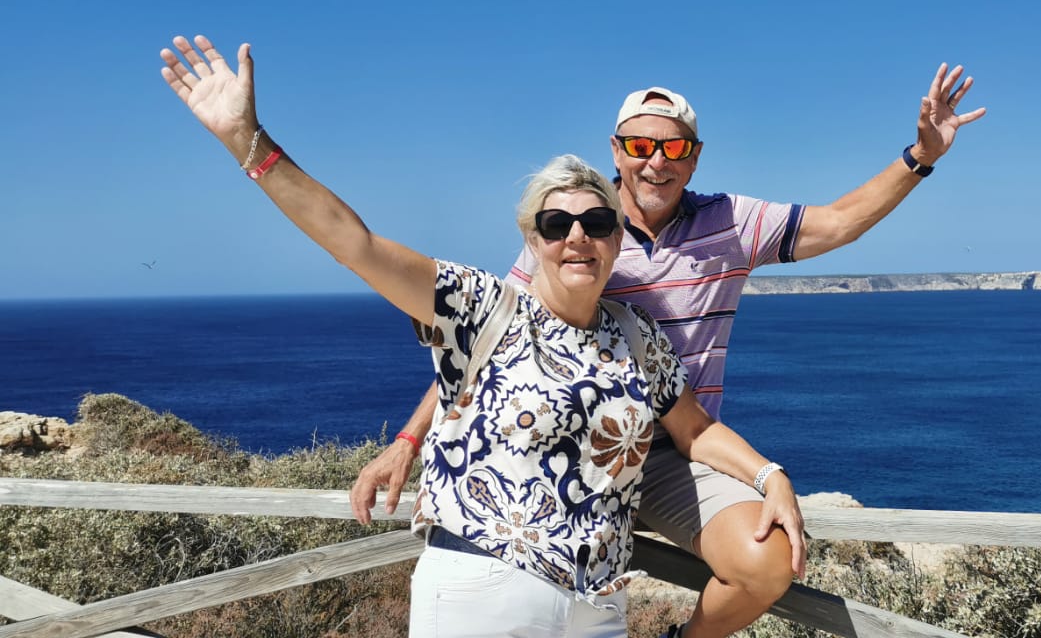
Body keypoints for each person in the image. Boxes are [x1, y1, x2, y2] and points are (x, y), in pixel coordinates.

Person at [159, 35, 804, 638]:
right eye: (556, 223)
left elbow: (695, 429)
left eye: (596, 222)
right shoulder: (480, 307)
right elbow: (354, 243)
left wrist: (770, 476)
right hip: (486, 589)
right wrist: (248, 142)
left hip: (599, 605)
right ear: (532, 238)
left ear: (617, 238)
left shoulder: (637, 337)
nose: (577, 236)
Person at [352, 66, 986, 638]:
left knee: (765, 562)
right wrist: (409, 440)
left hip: (676, 453)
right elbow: (490, 346)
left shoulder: (732, 222)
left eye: (674, 147)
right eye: (639, 146)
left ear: (695, 155)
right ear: (616, 151)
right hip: (580, 455)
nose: (656, 161)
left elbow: (839, 221)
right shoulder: (575, 230)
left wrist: (920, 158)